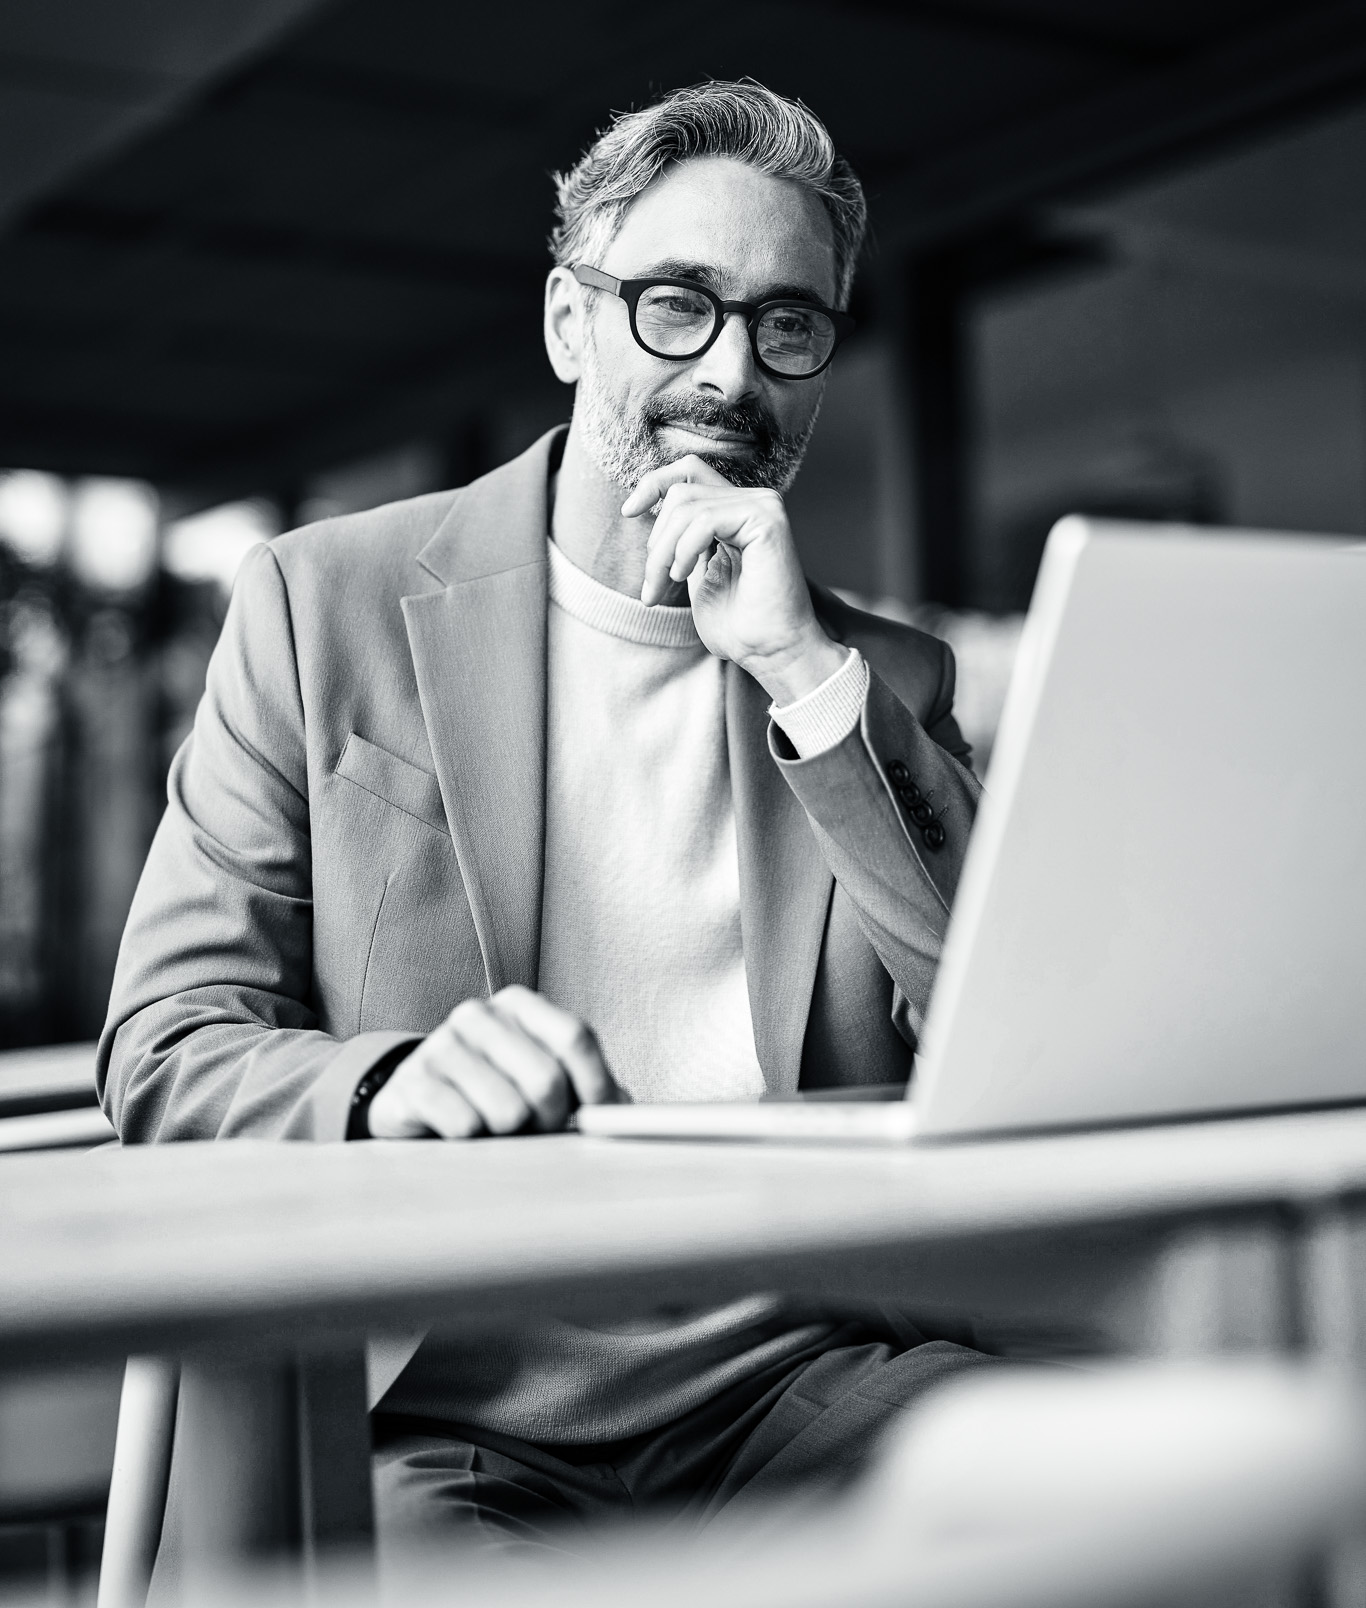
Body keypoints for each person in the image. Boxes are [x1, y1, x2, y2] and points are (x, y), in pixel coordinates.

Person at [100, 79, 985, 1547]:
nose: (732, 373)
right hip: (449, 1406)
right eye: (677, 306)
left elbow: (990, 1024)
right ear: (570, 324)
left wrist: (795, 670)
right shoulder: (324, 606)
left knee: (1168, 1482)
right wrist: (386, 1089)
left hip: (800, 1378)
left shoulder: (871, 679)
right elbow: (168, 1043)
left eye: (786, 323)